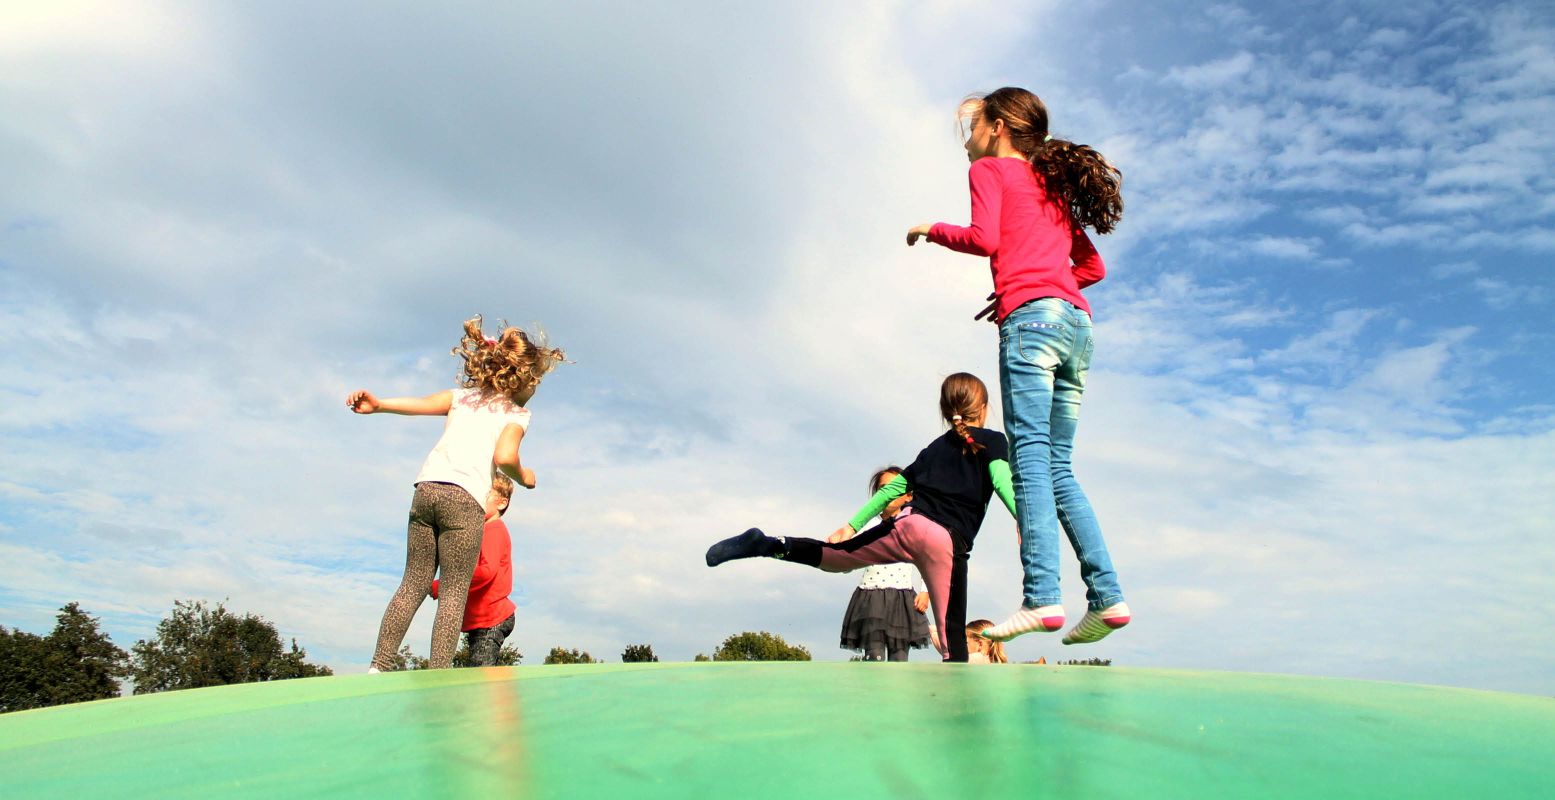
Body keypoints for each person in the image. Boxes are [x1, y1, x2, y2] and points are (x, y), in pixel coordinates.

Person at [906, 87, 1131, 645]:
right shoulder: (1048, 185)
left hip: (1032, 325)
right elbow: (1092, 267)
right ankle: (1108, 598)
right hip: (1076, 326)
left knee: (1028, 453)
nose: (968, 141)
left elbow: (984, 239)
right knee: (1059, 467)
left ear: (998, 127)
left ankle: (1042, 599)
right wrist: (1040, 287)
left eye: (973, 128)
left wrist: (929, 230)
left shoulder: (992, 172)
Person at [706, 373, 1015, 663]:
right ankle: (956, 709)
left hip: (907, 525)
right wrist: (1024, 522)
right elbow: (1002, 481)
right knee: (951, 636)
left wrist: (851, 526)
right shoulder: (993, 440)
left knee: (835, 557)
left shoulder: (935, 448)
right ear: (984, 409)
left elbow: (893, 488)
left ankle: (768, 544)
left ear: (945, 411)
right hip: (944, 543)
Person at [349, 316, 564, 671]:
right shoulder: (516, 413)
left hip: (426, 490)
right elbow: (505, 457)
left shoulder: (462, 398)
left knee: (413, 582)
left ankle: (379, 664)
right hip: (464, 501)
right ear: (522, 379)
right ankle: (439, 674)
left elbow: (418, 404)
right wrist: (525, 477)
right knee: (453, 592)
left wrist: (378, 404)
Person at [838, 467, 931, 662]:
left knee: (899, 659)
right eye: (882, 489)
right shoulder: (867, 524)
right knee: (875, 656)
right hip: (871, 597)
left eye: (894, 488)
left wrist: (925, 591)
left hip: (902, 597)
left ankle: (898, 691)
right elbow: (850, 555)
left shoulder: (912, 524)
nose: (887, 493)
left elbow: (926, 558)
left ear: (907, 495)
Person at [430, 474, 517, 667]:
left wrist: (443, 585)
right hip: (481, 620)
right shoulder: (481, 531)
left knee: (481, 676)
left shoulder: (493, 530)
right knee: (479, 674)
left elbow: (487, 571)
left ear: (502, 503)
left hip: (491, 618)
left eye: (485, 494)